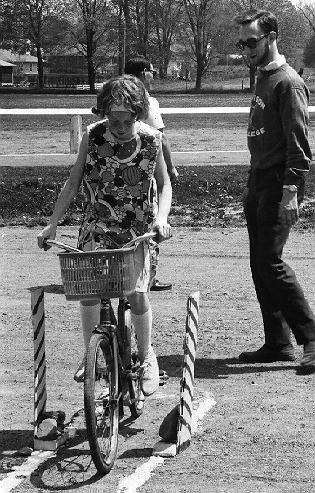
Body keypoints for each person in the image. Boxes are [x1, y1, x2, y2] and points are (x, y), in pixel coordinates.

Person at [37, 75, 172, 395]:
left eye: (128, 120)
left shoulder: (152, 140)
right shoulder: (93, 136)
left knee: (137, 292)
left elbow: (165, 185)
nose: (121, 126)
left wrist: (162, 219)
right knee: (89, 289)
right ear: (104, 114)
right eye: (114, 119)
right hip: (97, 225)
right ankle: (91, 353)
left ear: (138, 115)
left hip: (138, 228)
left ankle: (147, 354)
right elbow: (73, 181)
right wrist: (52, 223)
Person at [234, 9, 315, 371]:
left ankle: (312, 338)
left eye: (251, 42)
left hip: (278, 182)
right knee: (259, 263)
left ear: (271, 37)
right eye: (242, 44)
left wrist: (291, 191)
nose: (246, 50)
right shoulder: (263, 78)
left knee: (271, 262)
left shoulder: (288, 82)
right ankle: (278, 341)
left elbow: (299, 145)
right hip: (259, 181)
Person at [124, 55, 178, 292]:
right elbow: (161, 138)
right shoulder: (147, 101)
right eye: (151, 72)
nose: (153, 76)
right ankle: (149, 275)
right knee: (152, 218)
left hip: (120, 168)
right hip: (146, 170)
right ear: (143, 73)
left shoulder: (117, 97)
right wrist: (171, 167)